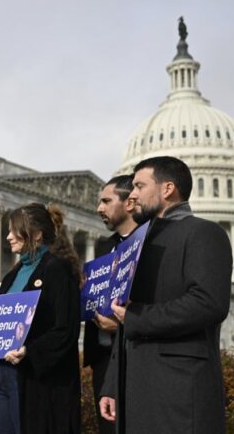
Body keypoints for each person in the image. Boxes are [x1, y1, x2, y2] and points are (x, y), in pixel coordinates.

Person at [99, 156, 231, 433]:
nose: (132, 195)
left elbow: (209, 303)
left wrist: (136, 317)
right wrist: (112, 383)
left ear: (167, 189)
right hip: (133, 388)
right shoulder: (137, 243)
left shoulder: (203, 233)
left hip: (178, 389)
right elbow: (127, 318)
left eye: (139, 186)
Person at [0, 202, 82, 434]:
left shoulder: (57, 270)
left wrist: (30, 350)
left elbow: (66, 329)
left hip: (32, 378)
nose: (8, 237)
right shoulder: (11, 276)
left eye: (14, 231)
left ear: (36, 234)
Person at [85, 174, 136, 434]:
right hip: (103, 357)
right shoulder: (104, 246)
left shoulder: (148, 243)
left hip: (134, 355)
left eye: (106, 201)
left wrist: (124, 325)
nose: (98, 208)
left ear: (129, 203)